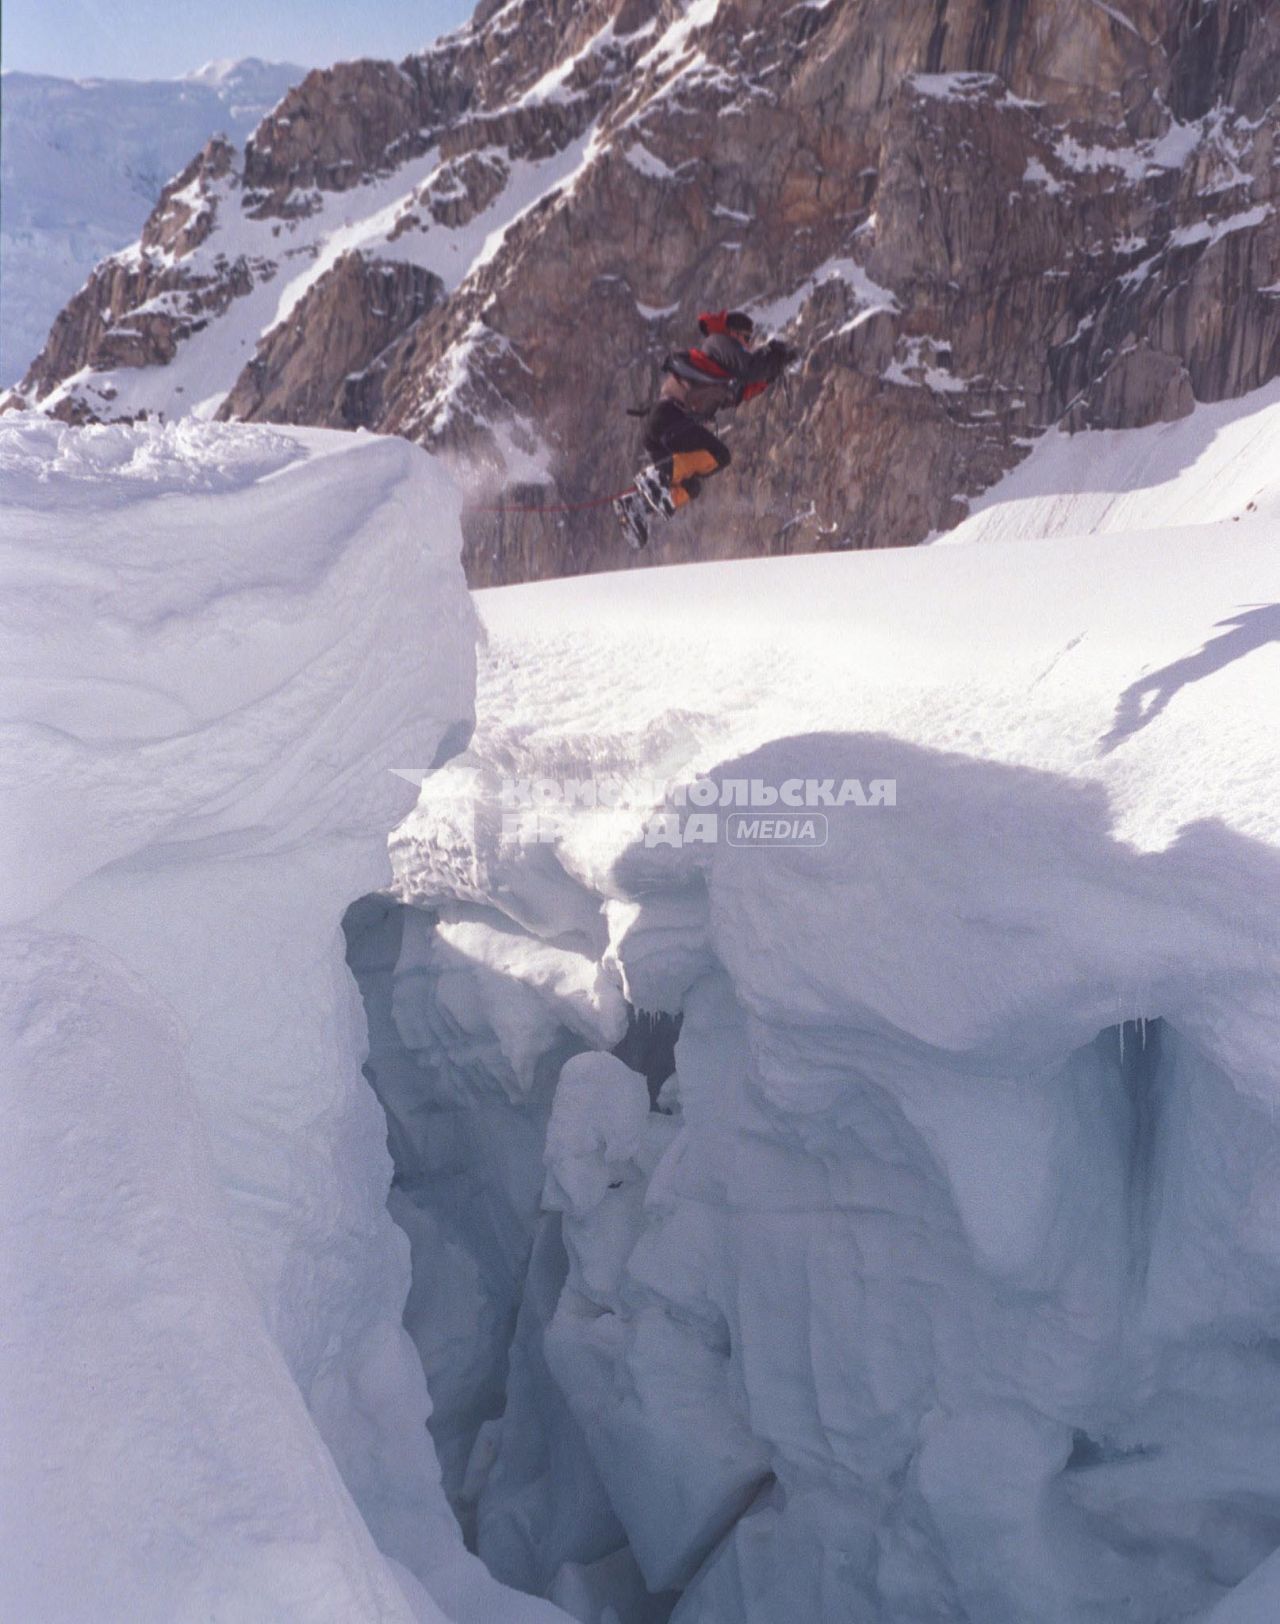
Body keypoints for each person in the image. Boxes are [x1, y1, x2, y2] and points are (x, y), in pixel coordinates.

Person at [614, 310, 797, 549]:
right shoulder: (720, 343)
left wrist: (772, 373)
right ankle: (657, 477)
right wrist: (775, 356)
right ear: (732, 333)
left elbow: (743, 389)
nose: (748, 344)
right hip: (670, 418)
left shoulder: (721, 368)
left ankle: (639, 505)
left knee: (691, 486)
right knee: (719, 455)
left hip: (662, 424)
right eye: (746, 337)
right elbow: (750, 368)